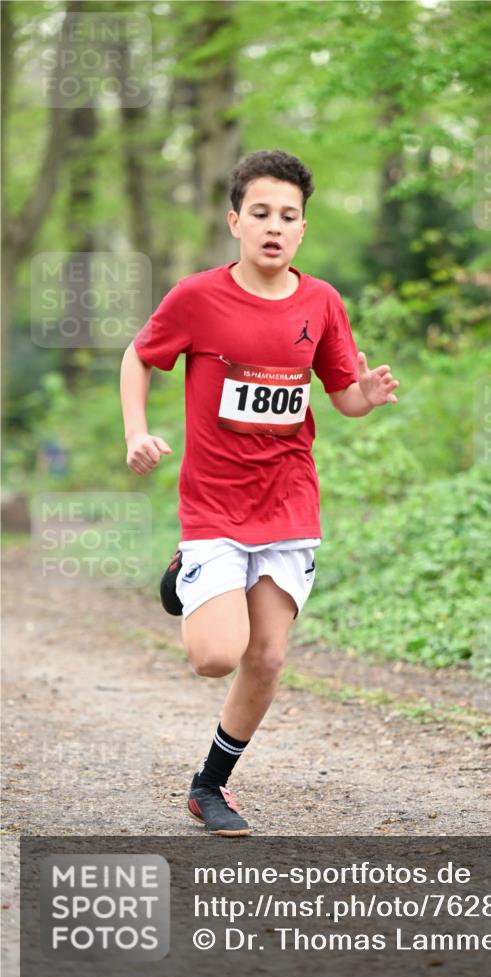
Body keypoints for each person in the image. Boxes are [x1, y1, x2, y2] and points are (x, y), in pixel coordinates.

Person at [119, 149, 399, 836]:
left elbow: (341, 396)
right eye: (261, 213)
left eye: (289, 216)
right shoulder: (197, 298)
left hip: (288, 501)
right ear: (235, 221)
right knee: (215, 656)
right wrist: (136, 431)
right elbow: (139, 356)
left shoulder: (321, 302)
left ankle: (208, 788)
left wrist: (363, 395)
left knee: (267, 656)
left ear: (302, 228)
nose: (275, 226)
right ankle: (187, 571)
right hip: (214, 501)